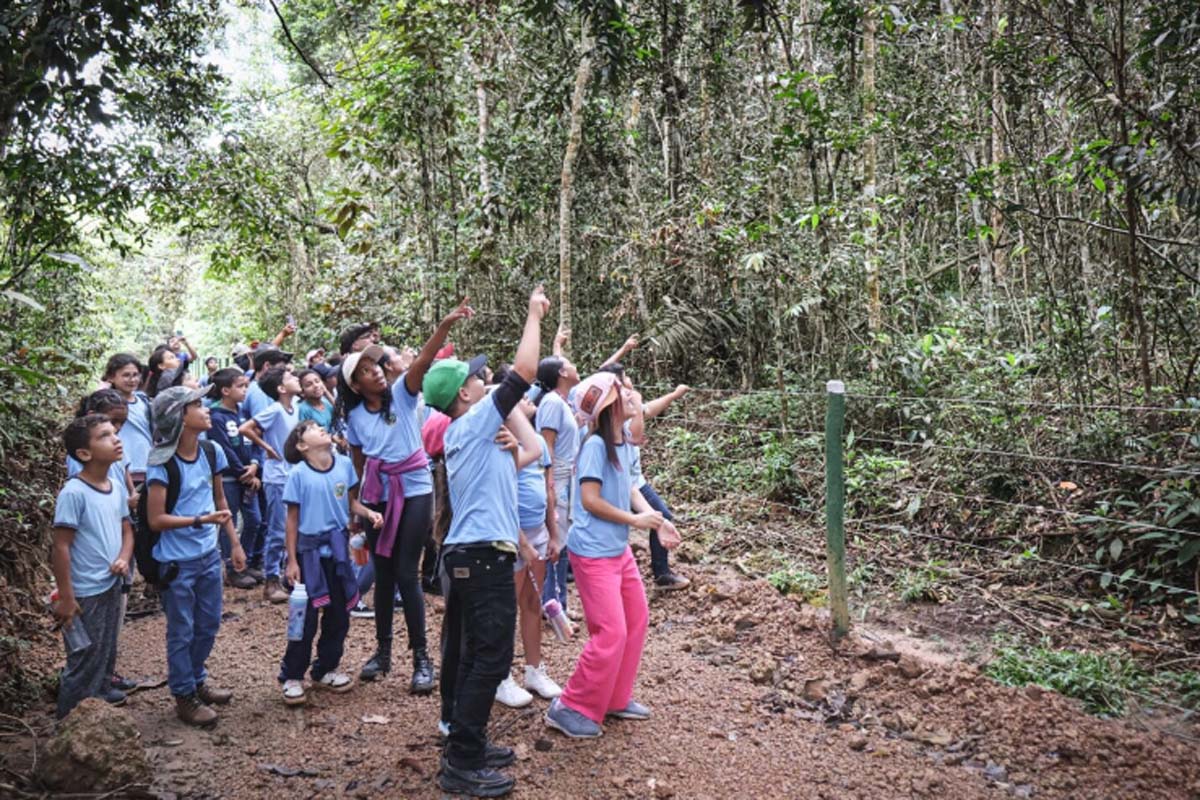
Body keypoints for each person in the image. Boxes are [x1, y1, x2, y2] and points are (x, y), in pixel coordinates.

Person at [423, 285, 548, 798]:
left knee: (479, 653)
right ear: (465, 395)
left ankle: (468, 743)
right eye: (477, 377)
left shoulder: (472, 433)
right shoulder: (474, 423)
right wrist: (533, 315)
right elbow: (524, 372)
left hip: (474, 555)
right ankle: (462, 763)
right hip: (481, 558)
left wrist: (513, 438)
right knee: (490, 658)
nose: (484, 378)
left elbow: (531, 452)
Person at [337, 303, 470, 691]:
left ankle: (421, 658)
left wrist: (444, 324)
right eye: (366, 370)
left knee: (407, 572)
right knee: (382, 572)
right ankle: (382, 652)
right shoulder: (354, 417)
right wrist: (357, 510)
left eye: (376, 364)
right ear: (355, 385)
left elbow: (423, 360)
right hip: (377, 494)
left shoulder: (402, 395)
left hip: (414, 489)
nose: (376, 371)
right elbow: (359, 464)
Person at [544, 372, 681, 739]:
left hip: (617, 550)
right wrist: (635, 520)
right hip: (593, 554)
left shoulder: (623, 441)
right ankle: (570, 706)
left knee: (636, 619)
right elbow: (590, 500)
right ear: (609, 408)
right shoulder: (594, 446)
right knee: (611, 632)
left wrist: (657, 521)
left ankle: (614, 697)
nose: (632, 395)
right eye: (624, 392)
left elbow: (632, 487)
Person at [145, 386, 245, 727]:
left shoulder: (211, 450)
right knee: (182, 629)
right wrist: (199, 520)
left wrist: (234, 543)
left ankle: (196, 678)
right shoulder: (162, 463)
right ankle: (184, 694)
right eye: (198, 405)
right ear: (179, 417)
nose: (206, 410)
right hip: (177, 562)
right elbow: (155, 519)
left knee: (209, 623)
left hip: (208, 554)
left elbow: (221, 500)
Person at [278, 421, 382, 705]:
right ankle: (292, 675)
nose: (320, 427)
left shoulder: (344, 465)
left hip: (338, 552)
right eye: (311, 428)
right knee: (305, 618)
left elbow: (350, 503)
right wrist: (291, 561)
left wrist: (368, 513)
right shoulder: (298, 475)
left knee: (339, 614)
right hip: (308, 554)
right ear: (302, 445)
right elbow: (292, 520)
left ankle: (325, 668)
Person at [52, 415, 134, 718]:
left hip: (111, 582)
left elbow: (127, 529)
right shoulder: (74, 492)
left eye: (114, 433)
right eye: (104, 436)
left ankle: (99, 697)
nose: (116, 439)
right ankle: (69, 721)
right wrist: (66, 597)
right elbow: (61, 545)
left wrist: (123, 557)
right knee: (84, 655)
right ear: (84, 453)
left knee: (106, 646)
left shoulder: (116, 485)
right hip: (84, 590)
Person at [495, 390, 562, 708]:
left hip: (538, 535)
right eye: (521, 396)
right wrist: (520, 541)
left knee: (532, 602)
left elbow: (548, 492)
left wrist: (553, 535)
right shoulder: (502, 441)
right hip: (511, 536)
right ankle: (501, 676)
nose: (529, 399)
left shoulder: (538, 443)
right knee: (506, 607)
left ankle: (534, 670)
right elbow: (500, 496)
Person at [602, 367, 692, 590]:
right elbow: (637, 434)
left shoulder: (628, 407)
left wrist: (674, 395)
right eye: (626, 377)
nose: (631, 380)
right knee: (618, 527)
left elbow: (649, 409)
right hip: (620, 482)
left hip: (635, 482)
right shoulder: (617, 414)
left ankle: (660, 574)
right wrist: (636, 399)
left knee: (660, 516)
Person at [238, 366, 301, 602]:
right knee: (277, 529)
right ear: (281, 388)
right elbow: (245, 428)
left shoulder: (294, 408)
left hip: (292, 474)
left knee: (293, 527)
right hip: (276, 477)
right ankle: (271, 580)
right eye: (290, 377)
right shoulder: (275, 409)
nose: (296, 378)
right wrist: (267, 448)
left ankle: (287, 575)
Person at [532, 346, 581, 616]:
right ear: (562, 373)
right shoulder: (551, 402)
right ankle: (553, 604)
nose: (575, 366)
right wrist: (548, 482)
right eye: (569, 363)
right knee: (556, 544)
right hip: (558, 478)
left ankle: (557, 602)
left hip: (566, 477)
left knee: (561, 542)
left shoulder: (562, 401)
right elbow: (547, 445)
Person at [205, 368, 263, 589]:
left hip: (249, 476)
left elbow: (257, 440)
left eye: (246, 385)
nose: (245, 390)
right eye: (240, 386)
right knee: (229, 521)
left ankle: (244, 560)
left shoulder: (244, 413)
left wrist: (255, 465)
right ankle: (232, 568)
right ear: (225, 390)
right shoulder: (216, 416)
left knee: (254, 520)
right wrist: (242, 472)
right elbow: (224, 448)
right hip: (230, 479)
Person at [102, 354, 152, 492]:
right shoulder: (106, 405)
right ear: (111, 377)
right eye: (126, 375)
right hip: (119, 469)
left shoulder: (144, 402)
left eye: (135, 375)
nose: (132, 379)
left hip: (147, 467)